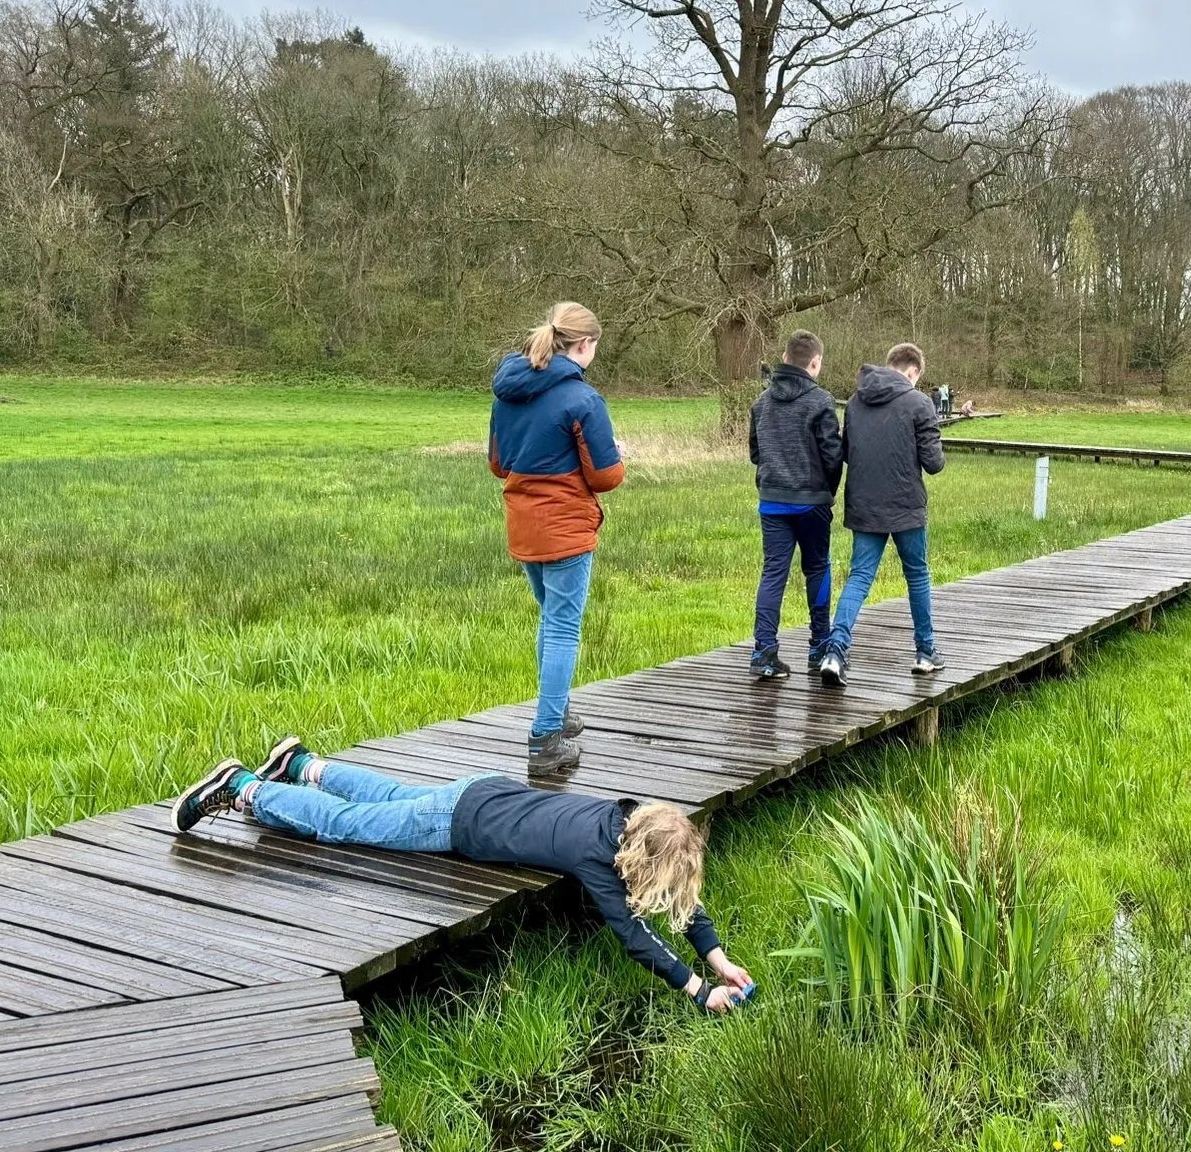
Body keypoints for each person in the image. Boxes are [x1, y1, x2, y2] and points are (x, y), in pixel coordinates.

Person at [170, 737, 754, 1014]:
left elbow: (678, 896)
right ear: (641, 861)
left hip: (483, 788)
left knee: (392, 796)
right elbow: (633, 934)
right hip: (460, 823)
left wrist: (717, 956)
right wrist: (698, 991)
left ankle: (302, 765)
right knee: (350, 826)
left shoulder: (626, 818)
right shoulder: (594, 859)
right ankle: (244, 789)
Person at [488, 303, 623, 778]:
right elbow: (606, 476)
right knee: (564, 626)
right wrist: (618, 454)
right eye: (595, 348)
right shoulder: (582, 399)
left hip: (522, 522)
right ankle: (546, 738)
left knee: (550, 618)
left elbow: (499, 464)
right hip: (565, 526)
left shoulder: (507, 391)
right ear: (583, 346)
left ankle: (558, 711)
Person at [817, 342, 945, 687]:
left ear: (890, 364)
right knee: (917, 575)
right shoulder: (920, 402)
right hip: (906, 507)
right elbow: (934, 464)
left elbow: (845, 453)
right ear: (913, 371)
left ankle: (835, 652)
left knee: (859, 578)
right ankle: (926, 652)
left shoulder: (857, 403)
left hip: (864, 505)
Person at [747, 330, 843, 680]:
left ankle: (763, 651)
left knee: (773, 572)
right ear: (814, 363)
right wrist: (827, 491)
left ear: (784, 357)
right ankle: (819, 646)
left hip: (772, 500)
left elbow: (756, 454)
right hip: (811, 501)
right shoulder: (820, 401)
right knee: (817, 568)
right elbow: (833, 456)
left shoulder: (761, 402)